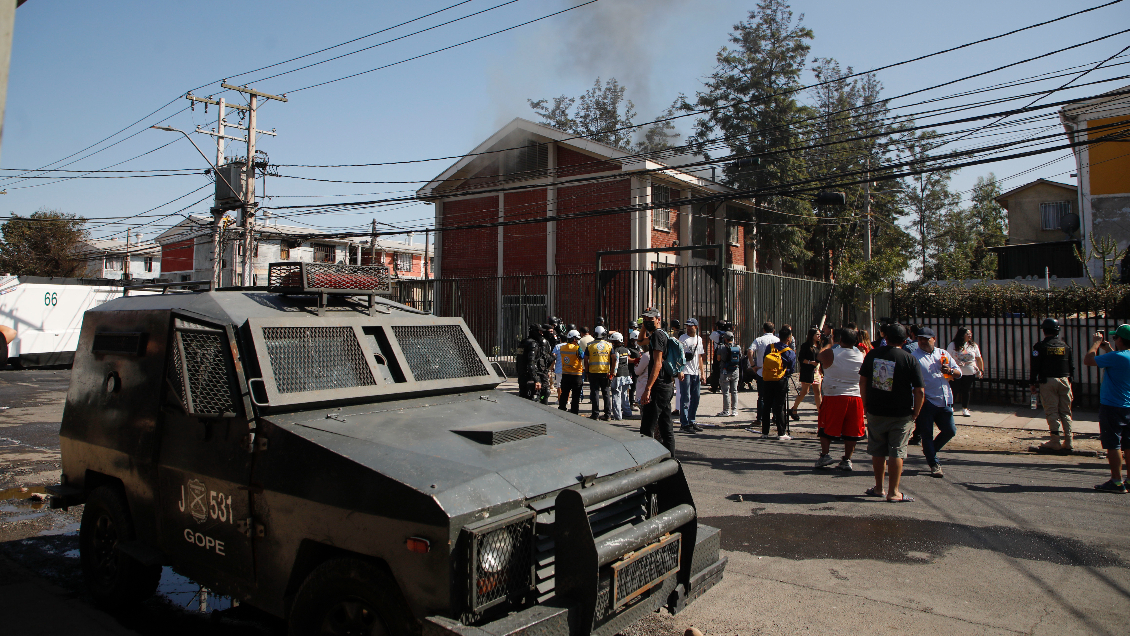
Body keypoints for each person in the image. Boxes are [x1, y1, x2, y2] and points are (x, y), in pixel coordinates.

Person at [860, 323, 925, 502]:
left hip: (876, 409)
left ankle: (879, 488)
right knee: (897, 451)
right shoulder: (909, 359)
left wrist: (866, 405)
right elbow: (919, 390)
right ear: (905, 341)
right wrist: (916, 413)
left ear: (885, 337)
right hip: (901, 412)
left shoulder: (872, 354)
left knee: (878, 450)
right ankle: (894, 492)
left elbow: (863, 382)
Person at [912, 327, 963, 477]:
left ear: (934, 339)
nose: (922, 342)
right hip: (927, 402)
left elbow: (958, 373)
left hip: (944, 399)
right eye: (920, 339)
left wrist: (950, 371)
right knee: (927, 434)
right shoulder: (915, 357)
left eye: (926, 339)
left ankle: (930, 451)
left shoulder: (943, 354)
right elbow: (911, 382)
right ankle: (934, 463)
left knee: (950, 430)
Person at [1084, 325, 1130, 493]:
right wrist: (1108, 349)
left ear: (1120, 340)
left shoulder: (1116, 357)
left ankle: (1116, 481)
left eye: (1115, 338)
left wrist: (1096, 344)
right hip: (1128, 406)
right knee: (1128, 444)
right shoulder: (1121, 356)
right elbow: (1119, 360)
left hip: (1112, 406)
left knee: (1114, 444)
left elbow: (1088, 360)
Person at [815, 328, 866, 471]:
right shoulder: (861, 354)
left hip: (834, 395)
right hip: (855, 396)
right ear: (855, 341)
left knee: (825, 427)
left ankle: (825, 454)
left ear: (840, 340)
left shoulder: (831, 352)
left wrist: (829, 343)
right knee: (852, 430)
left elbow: (819, 356)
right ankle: (847, 459)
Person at [1030, 318, 1075, 452]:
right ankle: (1069, 441)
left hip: (1047, 381)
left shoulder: (1039, 347)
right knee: (1066, 411)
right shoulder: (1065, 346)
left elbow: (1035, 366)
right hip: (1064, 380)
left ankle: (1055, 441)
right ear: (1057, 330)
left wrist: (1032, 382)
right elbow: (1071, 366)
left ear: (1044, 331)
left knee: (1052, 411)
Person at [640, 308, 679, 454]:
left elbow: (657, 363)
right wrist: (644, 325)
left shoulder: (657, 335)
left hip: (658, 386)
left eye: (651, 319)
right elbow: (639, 340)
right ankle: (670, 458)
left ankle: (646, 459)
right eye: (645, 319)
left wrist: (648, 388)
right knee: (665, 425)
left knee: (646, 428)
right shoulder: (661, 334)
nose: (648, 322)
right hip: (666, 385)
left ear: (658, 319)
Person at [749, 325, 795, 440]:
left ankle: (765, 432)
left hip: (767, 379)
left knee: (767, 404)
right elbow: (791, 369)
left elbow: (765, 360)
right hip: (781, 380)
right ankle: (781, 432)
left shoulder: (770, 347)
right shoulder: (790, 352)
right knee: (779, 406)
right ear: (789, 338)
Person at [747, 322, 780, 429]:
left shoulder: (759, 340)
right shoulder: (777, 340)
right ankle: (775, 417)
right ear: (773, 330)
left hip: (762, 371)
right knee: (775, 396)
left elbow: (750, 351)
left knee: (762, 396)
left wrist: (753, 365)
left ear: (763, 330)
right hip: (775, 372)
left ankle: (760, 419)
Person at [947, 327, 984, 417]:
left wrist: (981, 370)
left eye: (970, 334)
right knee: (954, 389)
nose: (970, 335)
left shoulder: (973, 345)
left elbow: (978, 358)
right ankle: (951, 407)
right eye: (968, 334)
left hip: (969, 371)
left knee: (966, 390)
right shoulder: (953, 345)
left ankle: (965, 408)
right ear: (962, 335)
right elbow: (947, 357)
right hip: (956, 371)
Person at [678, 318, 706, 433]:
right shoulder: (683, 338)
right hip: (686, 371)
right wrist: (680, 369)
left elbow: (699, 357)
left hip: (695, 372)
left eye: (691, 326)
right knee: (685, 397)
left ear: (696, 327)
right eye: (687, 326)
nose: (688, 328)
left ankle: (691, 420)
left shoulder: (699, 339)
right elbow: (678, 354)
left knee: (696, 397)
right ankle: (684, 423)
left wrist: (702, 372)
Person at [791, 327, 823, 420]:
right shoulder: (806, 345)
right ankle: (794, 408)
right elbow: (800, 359)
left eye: (819, 334)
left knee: (818, 392)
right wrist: (810, 362)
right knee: (805, 391)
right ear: (812, 335)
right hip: (807, 371)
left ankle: (820, 412)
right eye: (817, 334)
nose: (819, 336)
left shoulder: (819, 345)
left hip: (817, 372)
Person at [585, 326, 615, 421]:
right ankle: (607, 414)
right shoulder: (609, 345)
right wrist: (612, 371)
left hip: (593, 372)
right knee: (606, 393)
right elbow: (614, 358)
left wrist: (587, 371)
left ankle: (595, 414)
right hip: (605, 372)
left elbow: (586, 359)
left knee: (595, 393)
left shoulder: (590, 345)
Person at [556, 330, 584, 414]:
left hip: (565, 374)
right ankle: (574, 411)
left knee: (564, 393)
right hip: (576, 375)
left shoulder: (562, 347)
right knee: (575, 395)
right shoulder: (577, 348)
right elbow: (582, 356)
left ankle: (562, 408)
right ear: (574, 339)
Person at [715, 331, 741, 417]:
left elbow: (718, 359)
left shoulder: (721, 347)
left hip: (725, 371)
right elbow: (740, 358)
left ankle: (726, 410)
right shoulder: (737, 347)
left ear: (725, 339)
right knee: (734, 391)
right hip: (735, 371)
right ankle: (734, 410)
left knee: (726, 392)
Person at [610, 332, 634, 420]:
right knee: (624, 395)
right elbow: (627, 361)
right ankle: (627, 412)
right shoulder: (626, 350)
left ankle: (618, 416)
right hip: (626, 374)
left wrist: (613, 373)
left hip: (618, 375)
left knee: (616, 395)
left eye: (613, 342)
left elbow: (616, 363)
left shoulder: (615, 351)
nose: (612, 343)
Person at [517, 325, 543, 400]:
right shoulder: (533, 344)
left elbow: (519, 361)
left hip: (522, 376)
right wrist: (536, 379)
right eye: (540, 332)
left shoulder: (523, 342)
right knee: (534, 400)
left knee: (523, 398)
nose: (542, 334)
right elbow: (531, 363)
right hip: (529, 377)